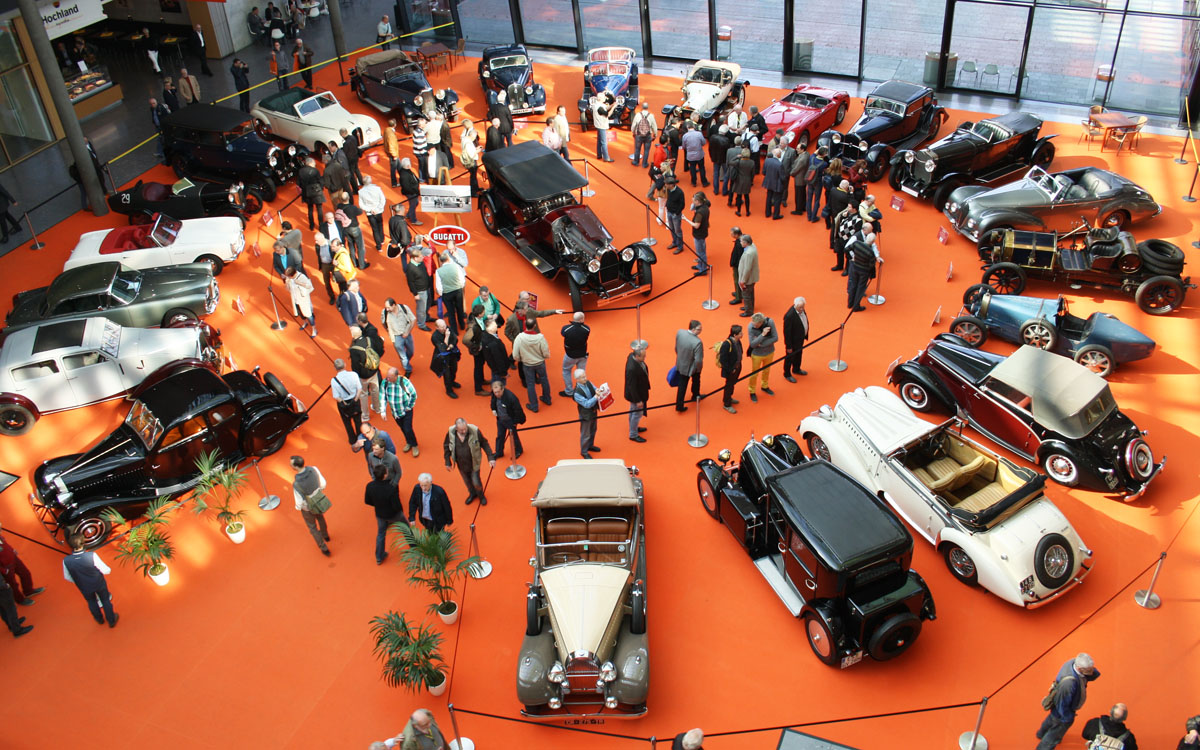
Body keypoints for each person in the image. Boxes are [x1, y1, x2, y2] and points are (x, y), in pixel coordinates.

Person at [1036, 653, 1100, 749]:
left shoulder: (1073, 663)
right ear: (1079, 668)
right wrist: (1068, 718)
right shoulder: (1069, 684)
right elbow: (1062, 704)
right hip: (1062, 714)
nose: (1092, 672)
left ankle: (1041, 733)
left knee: (1051, 719)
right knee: (1054, 735)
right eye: (1088, 670)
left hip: (1057, 710)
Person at [62, 535, 118, 627]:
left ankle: (99, 619)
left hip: (84, 587)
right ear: (83, 543)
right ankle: (111, 620)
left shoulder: (66, 560)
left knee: (91, 602)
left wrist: (78, 581)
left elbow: (67, 577)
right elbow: (105, 570)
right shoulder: (91, 556)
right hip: (98, 583)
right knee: (105, 600)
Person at [443, 417, 495, 505]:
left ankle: (481, 496)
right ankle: (472, 494)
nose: (464, 431)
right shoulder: (450, 434)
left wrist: (491, 458)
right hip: (461, 464)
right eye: (461, 430)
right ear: (456, 429)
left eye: (465, 429)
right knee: (467, 482)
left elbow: (484, 443)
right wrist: (447, 462)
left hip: (474, 464)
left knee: (476, 482)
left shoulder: (475, 431)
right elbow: (446, 447)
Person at [290, 456, 331, 555]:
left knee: (312, 527)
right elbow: (323, 484)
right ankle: (325, 535)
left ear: (296, 467)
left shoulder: (296, 484)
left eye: (291, 464)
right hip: (318, 500)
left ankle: (323, 547)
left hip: (307, 508)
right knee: (320, 517)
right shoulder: (314, 469)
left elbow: (299, 503)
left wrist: (300, 508)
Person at [364, 463, 403, 565]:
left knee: (381, 534)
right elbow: (397, 506)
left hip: (380, 514)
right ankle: (414, 545)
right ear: (385, 475)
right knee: (406, 528)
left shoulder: (369, 486)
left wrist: (378, 505)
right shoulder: (391, 488)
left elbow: (367, 501)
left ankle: (379, 557)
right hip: (393, 514)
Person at [0, 522, 45, 605]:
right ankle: (20, 599)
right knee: (13, 585)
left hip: (14, 559)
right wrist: (4, 571)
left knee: (25, 573)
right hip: (6, 567)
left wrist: (12, 550)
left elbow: (5, 544)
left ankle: (29, 591)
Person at [512, 318, 552, 410]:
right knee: (544, 380)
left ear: (525, 325)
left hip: (527, 364)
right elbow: (546, 352)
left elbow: (515, 355)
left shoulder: (519, 338)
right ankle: (547, 399)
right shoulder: (540, 338)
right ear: (534, 326)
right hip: (540, 363)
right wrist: (543, 358)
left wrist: (521, 359)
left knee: (530, 384)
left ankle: (534, 406)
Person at [349, 323, 383, 415]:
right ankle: (377, 408)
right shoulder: (369, 340)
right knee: (375, 390)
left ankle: (365, 415)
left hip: (363, 375)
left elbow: (355, 366)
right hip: (374, 370)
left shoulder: (354, 349)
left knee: (363, 394)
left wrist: (356, 376)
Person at [490, 378, 526, 460]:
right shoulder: (494, 394)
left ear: (502, 389)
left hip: (510, 420)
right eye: (495, 392)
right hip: (500, 419)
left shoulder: (511, 397)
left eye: (498, 392)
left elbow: (518, 410)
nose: (497, 394)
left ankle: (518, 450)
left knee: (513, 437)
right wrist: (493, 409)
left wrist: (515, 422)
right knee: (500, 436)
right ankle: (499, 452)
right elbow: (493, 401)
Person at [746, 312, 778, 403]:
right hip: (757, 354)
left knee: (766, 370)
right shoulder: (750, 327)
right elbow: (752, 344)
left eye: (756, 325)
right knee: (754, 373)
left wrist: (761, 344)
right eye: (753, 323)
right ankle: (752, 391)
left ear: (761, 322)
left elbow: (775, 338)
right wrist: (763, 334)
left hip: (769, 352)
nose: (753, 326)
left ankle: (764, 386)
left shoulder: (770, 322)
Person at [330, 358, 363, 443]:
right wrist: (355, 400)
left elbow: (336, 396)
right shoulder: (353, 374)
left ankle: (352, 439)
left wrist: (344, 403)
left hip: (343, 403)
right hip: (355, 399)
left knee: (347, 422)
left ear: (335, 368)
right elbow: (359, 389)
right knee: (358, 420)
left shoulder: (334, 380)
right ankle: (360, 437)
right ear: (345, 364)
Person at [846, 231, 881, 312]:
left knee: (853, 285)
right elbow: (871, 265)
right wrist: (872, 275)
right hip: (863, 272)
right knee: (860, 288)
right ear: (872, 242)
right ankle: (856, 306)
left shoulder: (856, 243)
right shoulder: (870, 252)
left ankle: (850, 303)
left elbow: (846, 249)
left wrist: (852, 257)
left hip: (854, 268)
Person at [673, 319, 703, 412]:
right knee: (694, 381)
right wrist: (698, 368)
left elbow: (676, 348)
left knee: (683, 384)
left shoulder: (680, 332)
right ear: (693, 329)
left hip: (680, 362)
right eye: (699, 329)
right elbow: (698, 360)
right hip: (691, 367)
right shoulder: (697, 342)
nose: (700, 331)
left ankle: (681, 404)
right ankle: (694, 396)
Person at [381, 298, 416, 375]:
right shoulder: (385, 312)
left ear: (394, 305)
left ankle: (405, 361)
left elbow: (413, 319)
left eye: (388, 307)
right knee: (402, 356)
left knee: (411, 352)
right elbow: (384, 323)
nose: (387, 309)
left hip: (407, 334)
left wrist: (407, 332)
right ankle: (408, 369)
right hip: (396, 337)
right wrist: (390, 332)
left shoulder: (404, 308)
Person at [624, 340, 650, 442]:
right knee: (636, 414)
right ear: (637, 356)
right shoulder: (632, 369)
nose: (645, 358)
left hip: (636, 393)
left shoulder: (631, 356)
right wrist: (638, 400)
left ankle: (633, 428)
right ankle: (633, 434)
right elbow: (632, 387)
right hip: (636, 395)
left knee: (633, 411)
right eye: (643, 356)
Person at [560, 312, 590, 397]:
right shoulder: (587, 329)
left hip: (570, 355)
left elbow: (563, 334)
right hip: (583, 355)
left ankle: (569, 391)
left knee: (566, 371)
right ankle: (583, 391)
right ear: (581, 319)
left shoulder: (566, 329)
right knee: (581, 373)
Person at [437, 249, 466, 335]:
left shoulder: (438, 271)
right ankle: (462, 325)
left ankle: (455, 330)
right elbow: (462, 279)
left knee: (451, 312)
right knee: (460, 308)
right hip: (458, 291)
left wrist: (441, 294)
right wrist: (459, 287)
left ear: (441, 261)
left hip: (447, 294)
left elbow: (439, 286)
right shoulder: (456, 266)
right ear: (448, 259)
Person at [573, 369, 600, 459]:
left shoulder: (588, 383)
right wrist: (596, 397)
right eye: (583, 377)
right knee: (585, 434)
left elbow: (595, 388)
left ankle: (590, 445)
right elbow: (587, 404)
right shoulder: (577, 393)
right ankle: (584, 452)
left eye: (585, 376)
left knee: (593, 429)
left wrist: (598, 390)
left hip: (593, 411)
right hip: (585, 415)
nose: (585, 378)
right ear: (577, 379)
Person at [431, 319, 461, 398]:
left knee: (454, 369)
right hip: (443, 357)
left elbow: (455, 338)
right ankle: (449, 390)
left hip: (452, 353)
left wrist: (451, 345)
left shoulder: (448, 328)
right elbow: (443, 348)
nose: (445, 328)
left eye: (445, 325)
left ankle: (452, 381)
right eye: (442, 327)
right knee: (446, 373)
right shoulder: (434, 337)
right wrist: (447, 336)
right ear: (437, 328)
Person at [717, 325, 743, 413]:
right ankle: (727, 404)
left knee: (732, 384)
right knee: (729, 385)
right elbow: (723, 360)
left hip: (737, 366)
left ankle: (728, 398)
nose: (742, 334)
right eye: (740, 333)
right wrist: (731, 370)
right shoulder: (727, 344)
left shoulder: (738, 341)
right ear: (735, 335)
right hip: (731, 369)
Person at [682, 191, 710, 273]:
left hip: (699, 234)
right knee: (702, 250)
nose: (693, 202)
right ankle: (700, 265)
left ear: (697, 201)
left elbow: (696, 225)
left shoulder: (700, 212)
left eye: (694, 201)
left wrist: (686, 219)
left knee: (700, 252)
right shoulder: (705, 207)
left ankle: (703, 269)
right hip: (703, 232)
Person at [782, 296, 809, 380]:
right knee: (789, 357)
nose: (802, 309)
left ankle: (796, 369)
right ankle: (787, 374)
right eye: (800, 307)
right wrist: (788, 346)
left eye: (803, 307)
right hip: (792, 342)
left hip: (800, 339)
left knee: (799, 354)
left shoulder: (801, 310)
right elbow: (787, 333)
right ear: (795, 305)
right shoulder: (789, 316)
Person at [284, 267, 317, 338]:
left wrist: (299, 283)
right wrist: (286, 283)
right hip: (296, 300)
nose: (288, 277)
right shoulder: (289, 279)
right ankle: (305, 322)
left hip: (303, 300)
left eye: (289, 276)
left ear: (293, 275)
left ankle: (314, 329)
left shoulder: (302, 277)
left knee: (309, 315)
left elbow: (309, 286)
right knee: (300, 313)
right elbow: (288, 289)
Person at [358, 176, 387, 255]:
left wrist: (370, 210)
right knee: (380, 225)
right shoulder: (377, 189)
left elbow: (361, 205)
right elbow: (383, 200)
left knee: (375, 229)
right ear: (371, 181)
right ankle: (382, 239)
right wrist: (377, 209)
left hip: (370, 213)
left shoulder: (361, 192)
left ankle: (379, 246)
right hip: (378, 211)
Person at [296, 156, 324, 230]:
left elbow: (298, 183)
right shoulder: (315, 171)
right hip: (316, 192)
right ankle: (321, 225)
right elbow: (320, 181)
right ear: (310, 163)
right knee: (319, 209)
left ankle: (311, 225)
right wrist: (321, 188)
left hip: (306, 193)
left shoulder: (300, 171)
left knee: (310, 209)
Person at [481, 321, 510, 390]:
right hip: (498, 370)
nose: (496, 325)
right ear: (490, 329)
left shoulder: (487, 337)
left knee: (495, 383)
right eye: (494, 325)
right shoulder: (493, 343)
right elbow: (498, 359)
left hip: (495, 368)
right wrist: (504, 373)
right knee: (499, 387)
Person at [737, 234, 759, 317]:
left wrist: (743, 280)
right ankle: (749, 306)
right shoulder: (752, 246)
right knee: (750, 292)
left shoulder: (748, 253)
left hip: (748, 278)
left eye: (741, 241)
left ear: (746, 243)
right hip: (753, 276)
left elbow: (747, 268)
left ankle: (748, 311)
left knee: (746, 294)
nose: (740, 242)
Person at [681, 121, 708, 186]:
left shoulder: (685, 136)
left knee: (692, 168)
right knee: (702, 168)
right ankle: (704, 182)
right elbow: (704, 143)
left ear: (687, 127)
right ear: (694, 126)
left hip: (690, 156)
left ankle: (693, 182)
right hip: (699, 154)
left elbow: (683, 146)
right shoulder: (699, 134)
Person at [630, 101, 657, 167]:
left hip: (638, 135)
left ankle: (636, 162)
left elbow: (633, 125)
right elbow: (654, 126)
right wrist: (655, 134)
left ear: (642, 107)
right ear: (647, 107)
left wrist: (633, 132)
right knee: (646, 150)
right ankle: (644, 164)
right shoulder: (651, 116)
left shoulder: (638, 115)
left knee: (637, 149)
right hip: (648, 135)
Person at [806, 147, 829, 222]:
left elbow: (814, 153)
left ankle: (809, 216)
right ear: (824, 154)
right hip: (818, 182)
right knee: (816, 200)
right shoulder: (824, 164)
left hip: (810, 180)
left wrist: (820, 148)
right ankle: (813, 217)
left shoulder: (811, 158)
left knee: (809, 198)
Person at [663, 176, 686, 254]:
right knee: (671, 229)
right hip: (669, 212)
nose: (665, 185)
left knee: (677, 231)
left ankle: (680, 246)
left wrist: (677, 213)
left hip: (675, 214)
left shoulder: (680, 192)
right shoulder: (669, 190)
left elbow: (682, 204)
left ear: (671, 185)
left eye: (666, 184)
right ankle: (675, 242)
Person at [762, 148, 785, 219]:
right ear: (778, 155)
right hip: (777, 184)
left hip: (769, 183)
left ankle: (767, 213)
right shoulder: (779, 164)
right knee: (777, 200)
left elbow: (764, 172)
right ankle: (776, 215)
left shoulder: (767, 160)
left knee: (769, 197)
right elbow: (782, 177)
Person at [460, 120, 481, 196]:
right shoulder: (468, 142)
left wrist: (475, 149)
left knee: (473, 176)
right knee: (473, 176)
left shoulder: (465, 139)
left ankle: (476, 188)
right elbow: (471, 154)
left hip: (470, 159)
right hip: (471, 160)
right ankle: (473, 192)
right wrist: (477, 151)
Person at [709, 124, 731, 194]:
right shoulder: (726, 140)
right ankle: (724, 190)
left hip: (715, 158)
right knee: (726, 174)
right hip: (724, 159)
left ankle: (716, 190)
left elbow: (710, 149)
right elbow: (728, 151)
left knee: (716, 174)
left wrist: (712, 157)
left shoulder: (712, 137)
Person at [790, 140, 810, 215]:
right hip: (803, 178)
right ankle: (803, 207)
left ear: (802, 149)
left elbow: (796, 169)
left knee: (798, 195)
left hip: (799, 179)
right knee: (803, 194)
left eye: (798, 148)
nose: (796, 149)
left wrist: (791, 173)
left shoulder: (802, 159)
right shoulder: (807, 154)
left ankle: (798, 210)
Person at [727, 226, 744, 305]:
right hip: (739, 265)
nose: (731, 235)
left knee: (737, 280)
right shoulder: (743, 240)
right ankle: (738, 292)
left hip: (738, 265)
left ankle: (738, 297)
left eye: (732, 234)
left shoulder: (739, 244)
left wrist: (734, 263)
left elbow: (739, 256)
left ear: (736, 234)